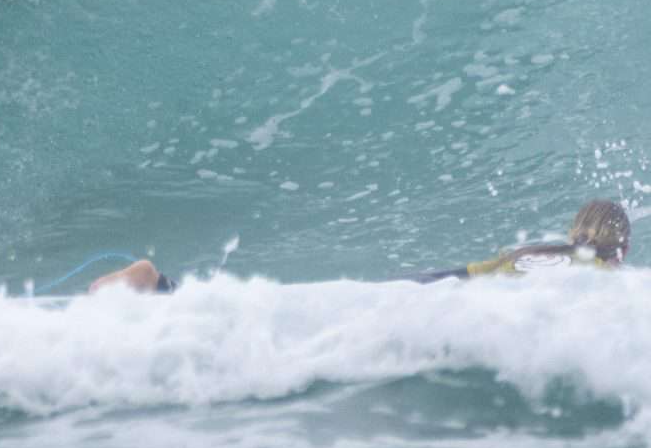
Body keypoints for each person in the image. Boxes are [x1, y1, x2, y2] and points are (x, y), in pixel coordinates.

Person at [85, 199, 633, 294]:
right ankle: (158, 288)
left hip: (430, 290)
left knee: (296, 309)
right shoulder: (611, 284)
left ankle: (161, 287)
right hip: (457, 314)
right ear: (622, 250)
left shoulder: (531, 253)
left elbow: (455, 276)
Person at [406, 198, 631, 282]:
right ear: (624, 250)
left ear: (572, 233)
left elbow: (434, 278)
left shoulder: (527, 253)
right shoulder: (605, 279)